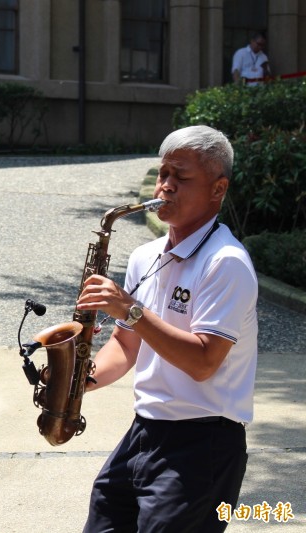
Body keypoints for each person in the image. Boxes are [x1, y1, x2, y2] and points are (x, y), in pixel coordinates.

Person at [77, 125, 258, 532]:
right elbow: (127, 345)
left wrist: (130, 307)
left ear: (218, 189)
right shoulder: (146, 255)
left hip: (204, 443)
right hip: (144, 431)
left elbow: (204, 361)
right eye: (163, 175)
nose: (166, 186)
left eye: (182, 177)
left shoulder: (225, 262)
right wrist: (78, 380)